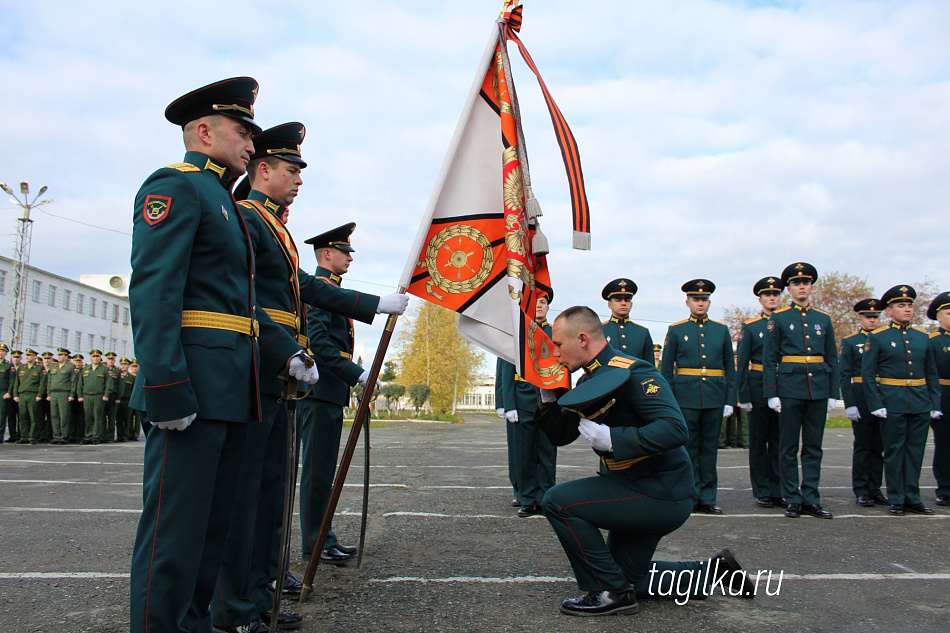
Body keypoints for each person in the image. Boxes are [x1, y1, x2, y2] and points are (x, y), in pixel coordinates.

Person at [127, 77, 321, 633]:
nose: (250, 145)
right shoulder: (177, 186)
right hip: (191, 385)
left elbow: (245, 305)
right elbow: (156, 291)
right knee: (174, 533)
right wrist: (165, 386)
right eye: (242, 132)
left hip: (234, 388)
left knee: (210, 534)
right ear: (205, 131)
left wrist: (284, 351)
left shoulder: (228, 206)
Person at [212, 123, 406, 633]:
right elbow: (248, 300)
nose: (299, 179)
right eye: (291, 169)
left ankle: (260, 594)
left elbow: (303, 291)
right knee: (249, 495)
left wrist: (371, 303)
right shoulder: (247, 220)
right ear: (263, 170)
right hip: (257, 372)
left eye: (300, 170)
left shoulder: (273, 227)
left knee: (272, 492)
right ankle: (236, 607)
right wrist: (291, 349)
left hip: (282, 380)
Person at [535, 306, 754, 616]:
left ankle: (611, 594)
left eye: (558, 344)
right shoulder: (588, 382)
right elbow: (562, 434)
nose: (555, 353)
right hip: (632, 487)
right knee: (629, 578)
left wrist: (615, 440)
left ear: (582, 338)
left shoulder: (634, 372)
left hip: (660, 491)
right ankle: (714, 572)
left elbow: (676, 428)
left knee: (558, 501)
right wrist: (546, 398)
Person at [296, 222, 378, 566]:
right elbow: (320, 344)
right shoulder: (319, 290)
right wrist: (356, 375)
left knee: (324, 469)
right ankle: (315, 541)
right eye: (344, 252)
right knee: (317, 470)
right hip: (318, 390)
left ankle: (322, 537)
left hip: (329, 391)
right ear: (326, 253)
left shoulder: (331, 289)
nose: (349, 258)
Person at [763, 262, 839, 519]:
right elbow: (770, 358)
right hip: (790, 388)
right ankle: (792, 497)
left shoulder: (823, 319)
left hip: (817, 387)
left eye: (805, 282)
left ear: (811, 286)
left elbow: (831, 358)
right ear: (790, 288)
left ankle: (811, 497)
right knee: (788, 446)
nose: (801, 287)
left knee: (814, 447)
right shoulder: (779, 318)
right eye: (796, 283)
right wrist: (772, 392)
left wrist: (832, 392)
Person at [861, 285, 940, 516]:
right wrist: (875, 403)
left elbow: (931, 373)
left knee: (915, 452)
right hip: (892, 400)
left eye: (909, 305)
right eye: (901, 305)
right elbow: (867, 374)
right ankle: (896, 497)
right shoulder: (878, 337)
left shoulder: (922, 338)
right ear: (889, 311)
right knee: (895, 451)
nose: (907, 309)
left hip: (919, 400)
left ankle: (912, 497)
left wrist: (934, 403)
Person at [660, 279, 736, 514]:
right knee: (688, 449)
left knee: (709, 450)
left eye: (703, 300)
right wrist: (668, 400)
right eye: (696, 300)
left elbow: (730, 367)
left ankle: (708, 497)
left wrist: (730, 399)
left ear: (709, 302)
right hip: (685, 397)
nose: (700, 303)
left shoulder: (721, 330)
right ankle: (689, 495)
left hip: (714, 396)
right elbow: (666, 368)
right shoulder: (676, 330)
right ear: (687, 302)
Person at [497, 291, 558, 518]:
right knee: (524, 452)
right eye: (536, 302)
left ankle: (546, 498)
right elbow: (505, 368)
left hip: (548, 399)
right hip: (522, 397)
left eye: (543, 302)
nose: (540, 306)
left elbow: (563, 365)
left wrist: (564, 400)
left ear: (548, 307)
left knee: (546, 451)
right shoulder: (517, 331)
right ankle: (527, 498)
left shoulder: (555, 333)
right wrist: (508, 402)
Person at [736, 276, 786, 509]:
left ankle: (779, 489)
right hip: (757, 387)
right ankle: (763, 490)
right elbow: (743, 363)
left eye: (776, 294)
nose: (772, 298)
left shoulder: (786, 322)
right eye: (768, 295)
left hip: (783, 385)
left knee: (780, 441)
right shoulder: (752, 326)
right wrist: (743, 395)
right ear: (760, 299)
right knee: (758, 442)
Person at [839, 299, 889, 507]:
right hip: (861, 397)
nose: (872, 320)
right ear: (859, 318)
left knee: (879, 445)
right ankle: (861, 489)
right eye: (868, 317)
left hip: (883, 394)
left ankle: (874, 488)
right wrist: (849, 402)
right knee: (863, 445)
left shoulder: (885, 339)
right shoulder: (851, 342)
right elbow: (845, 374)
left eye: (875, 316)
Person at [927, 292, 950, 506]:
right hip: (944, 398)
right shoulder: (932, 341)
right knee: (945, 446)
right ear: (939, 317)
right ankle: (945, 489)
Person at [601, 278, 654, 360]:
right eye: (618, 300)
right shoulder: (599, 331)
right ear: (609, 304)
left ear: (631, 304)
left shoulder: (642, 332)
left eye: (627, 300)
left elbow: (650, 367)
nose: (623, 303)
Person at [496, 356, 521, 507]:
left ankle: (540, 490)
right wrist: (502, 401)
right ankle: (519, 488)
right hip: (516, 398)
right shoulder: (510, 334)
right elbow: (502, 370)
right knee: (516, 449)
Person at [77, 350, 112, 445]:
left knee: (97, 417)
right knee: (88, 416)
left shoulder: (104, 369)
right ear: (91, 358)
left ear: (100, 358)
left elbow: (109, 383)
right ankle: (88, 436)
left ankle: (96, 437)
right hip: (87, 395)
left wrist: (106, 395)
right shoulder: (86, 369)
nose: (95, 358)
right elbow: (80, 383)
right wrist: (80, 395)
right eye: (94, 356)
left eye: (97, 356)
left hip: (98, 396)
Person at [13, 349, 45, 444]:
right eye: (27, 355)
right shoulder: (21, 368)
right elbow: (16, 383)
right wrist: (15, 394)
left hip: (33, 394)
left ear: (35, 357)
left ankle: (32, 437)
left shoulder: (39, 369)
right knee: (22, 417)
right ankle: (24, 437)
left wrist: (39, 395)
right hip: (22, 394)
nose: (28, 357)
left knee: (34, 417)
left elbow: (42, 384)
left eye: (30, 355)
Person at [45, 348, 73, 445]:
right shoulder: (54, 367)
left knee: (64, 416)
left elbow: (73, 382)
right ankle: (56, 436)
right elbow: (49, 381)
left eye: (61, 355)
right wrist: (48, 393)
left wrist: (71, 394)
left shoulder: (69, 367)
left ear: (66, 357)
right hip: (54, 393)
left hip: (64, 393)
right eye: (59, 355)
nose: (59, 357)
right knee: (54, 415)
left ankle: (64, 436)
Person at [0, 344, 13, 443]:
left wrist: (8, 392)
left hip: (3, 392)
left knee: (1, 415)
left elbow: (12, 381)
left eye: (3, 351)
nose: (1, 353)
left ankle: (0, 436)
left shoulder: (8, 365)